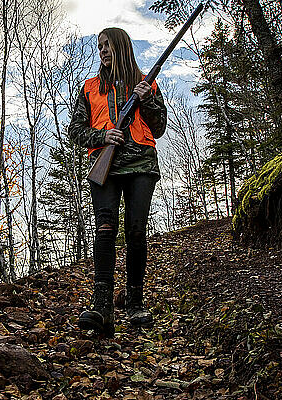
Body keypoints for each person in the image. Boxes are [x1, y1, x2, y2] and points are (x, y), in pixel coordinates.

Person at [68, 27, 167, 336]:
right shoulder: (90, 87)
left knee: (136, 230)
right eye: (99, 47)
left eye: (107, 46)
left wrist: (146, 98)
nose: (102, 51)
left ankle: (136, 303)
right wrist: (103, 135)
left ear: (122, 47)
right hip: (104, 166)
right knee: (104, 228)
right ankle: (102, 306)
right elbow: (75, 132)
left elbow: (160, 126)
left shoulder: (146, 84)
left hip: (141, 164)